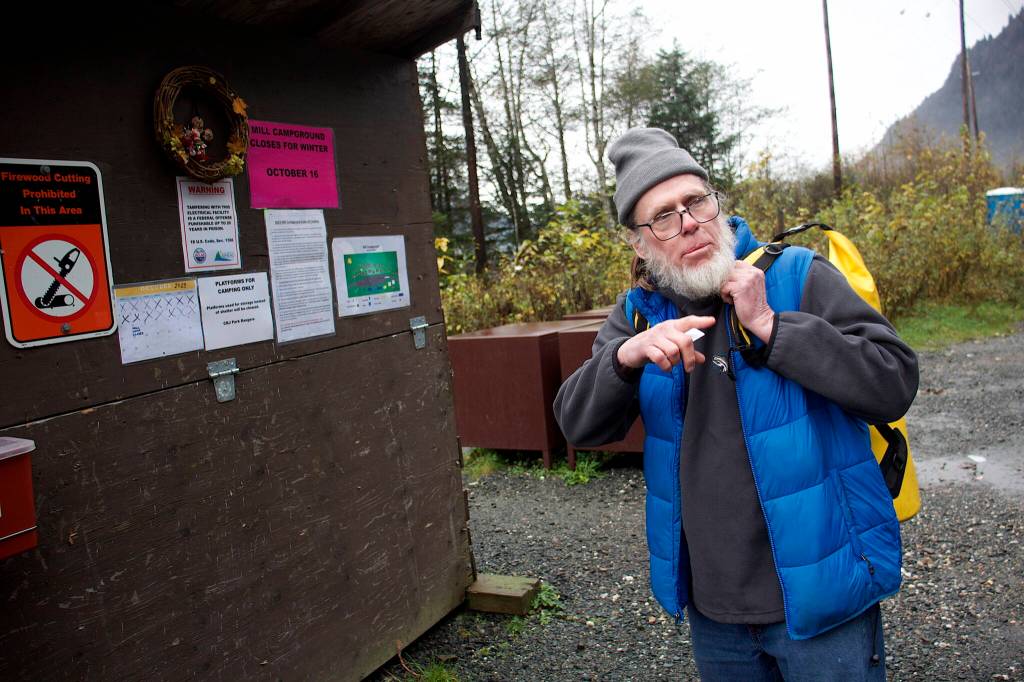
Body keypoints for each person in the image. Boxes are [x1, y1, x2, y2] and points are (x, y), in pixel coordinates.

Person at [554, 128, 919, 680]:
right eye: (663, 216)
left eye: (695, 201)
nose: (688, 223)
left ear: (715, 203)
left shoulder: (796, 275)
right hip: (714, 609)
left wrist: (773, 328)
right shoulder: (636, 316)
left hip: (825, 595)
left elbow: (894, 382)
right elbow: (576, 424)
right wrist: (623, 360)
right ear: (640, 242)